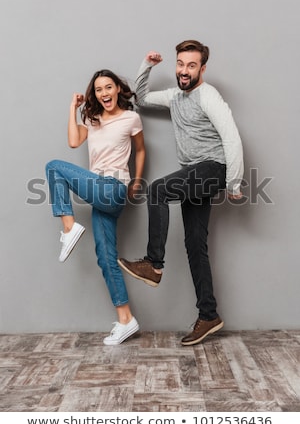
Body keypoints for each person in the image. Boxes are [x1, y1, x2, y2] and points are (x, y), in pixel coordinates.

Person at [118, 40, 244, 346]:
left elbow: (231, 137)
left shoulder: (208, 95)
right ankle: (209, 315)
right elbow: (142, 97)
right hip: (193, 173)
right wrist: (147, 65)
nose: (184, 71)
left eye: (191, 65)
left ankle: (153, 264)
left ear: (202, 68)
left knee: (158, 190)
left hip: (212, 168)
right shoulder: (175, 96)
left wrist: (234, 182)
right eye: (180, 64)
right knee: (194, 244)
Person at [45, 69, 145, 345]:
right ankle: (127, 320)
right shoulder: (93, 119)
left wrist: (136, 181)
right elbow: (74, 141)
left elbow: (140, 150)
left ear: (117, 89)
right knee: (105, 257)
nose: (104, 93)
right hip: (100, 194)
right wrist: (72, 109)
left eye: (108, 87)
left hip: (113, 188)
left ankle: (68, 226)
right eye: (99, 89)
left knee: (55, 167)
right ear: (95, 95)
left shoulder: (130, 118)